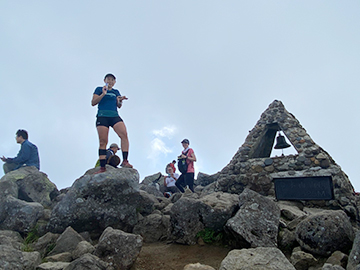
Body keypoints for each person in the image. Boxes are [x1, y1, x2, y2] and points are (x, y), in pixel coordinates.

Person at [92, 73, 133, 173]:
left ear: (114, 82)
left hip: (114, 115)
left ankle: (125, 160)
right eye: (108, 79)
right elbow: (93, 102)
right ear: (104, 80)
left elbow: (118, 106)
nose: (110, 81)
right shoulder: (99, 89)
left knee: (124, 134)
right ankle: (102, 167)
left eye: (112, 80)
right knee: (103, 141)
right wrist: (103, 94)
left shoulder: (116, 91)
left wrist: (120, 100)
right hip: (102, 115)